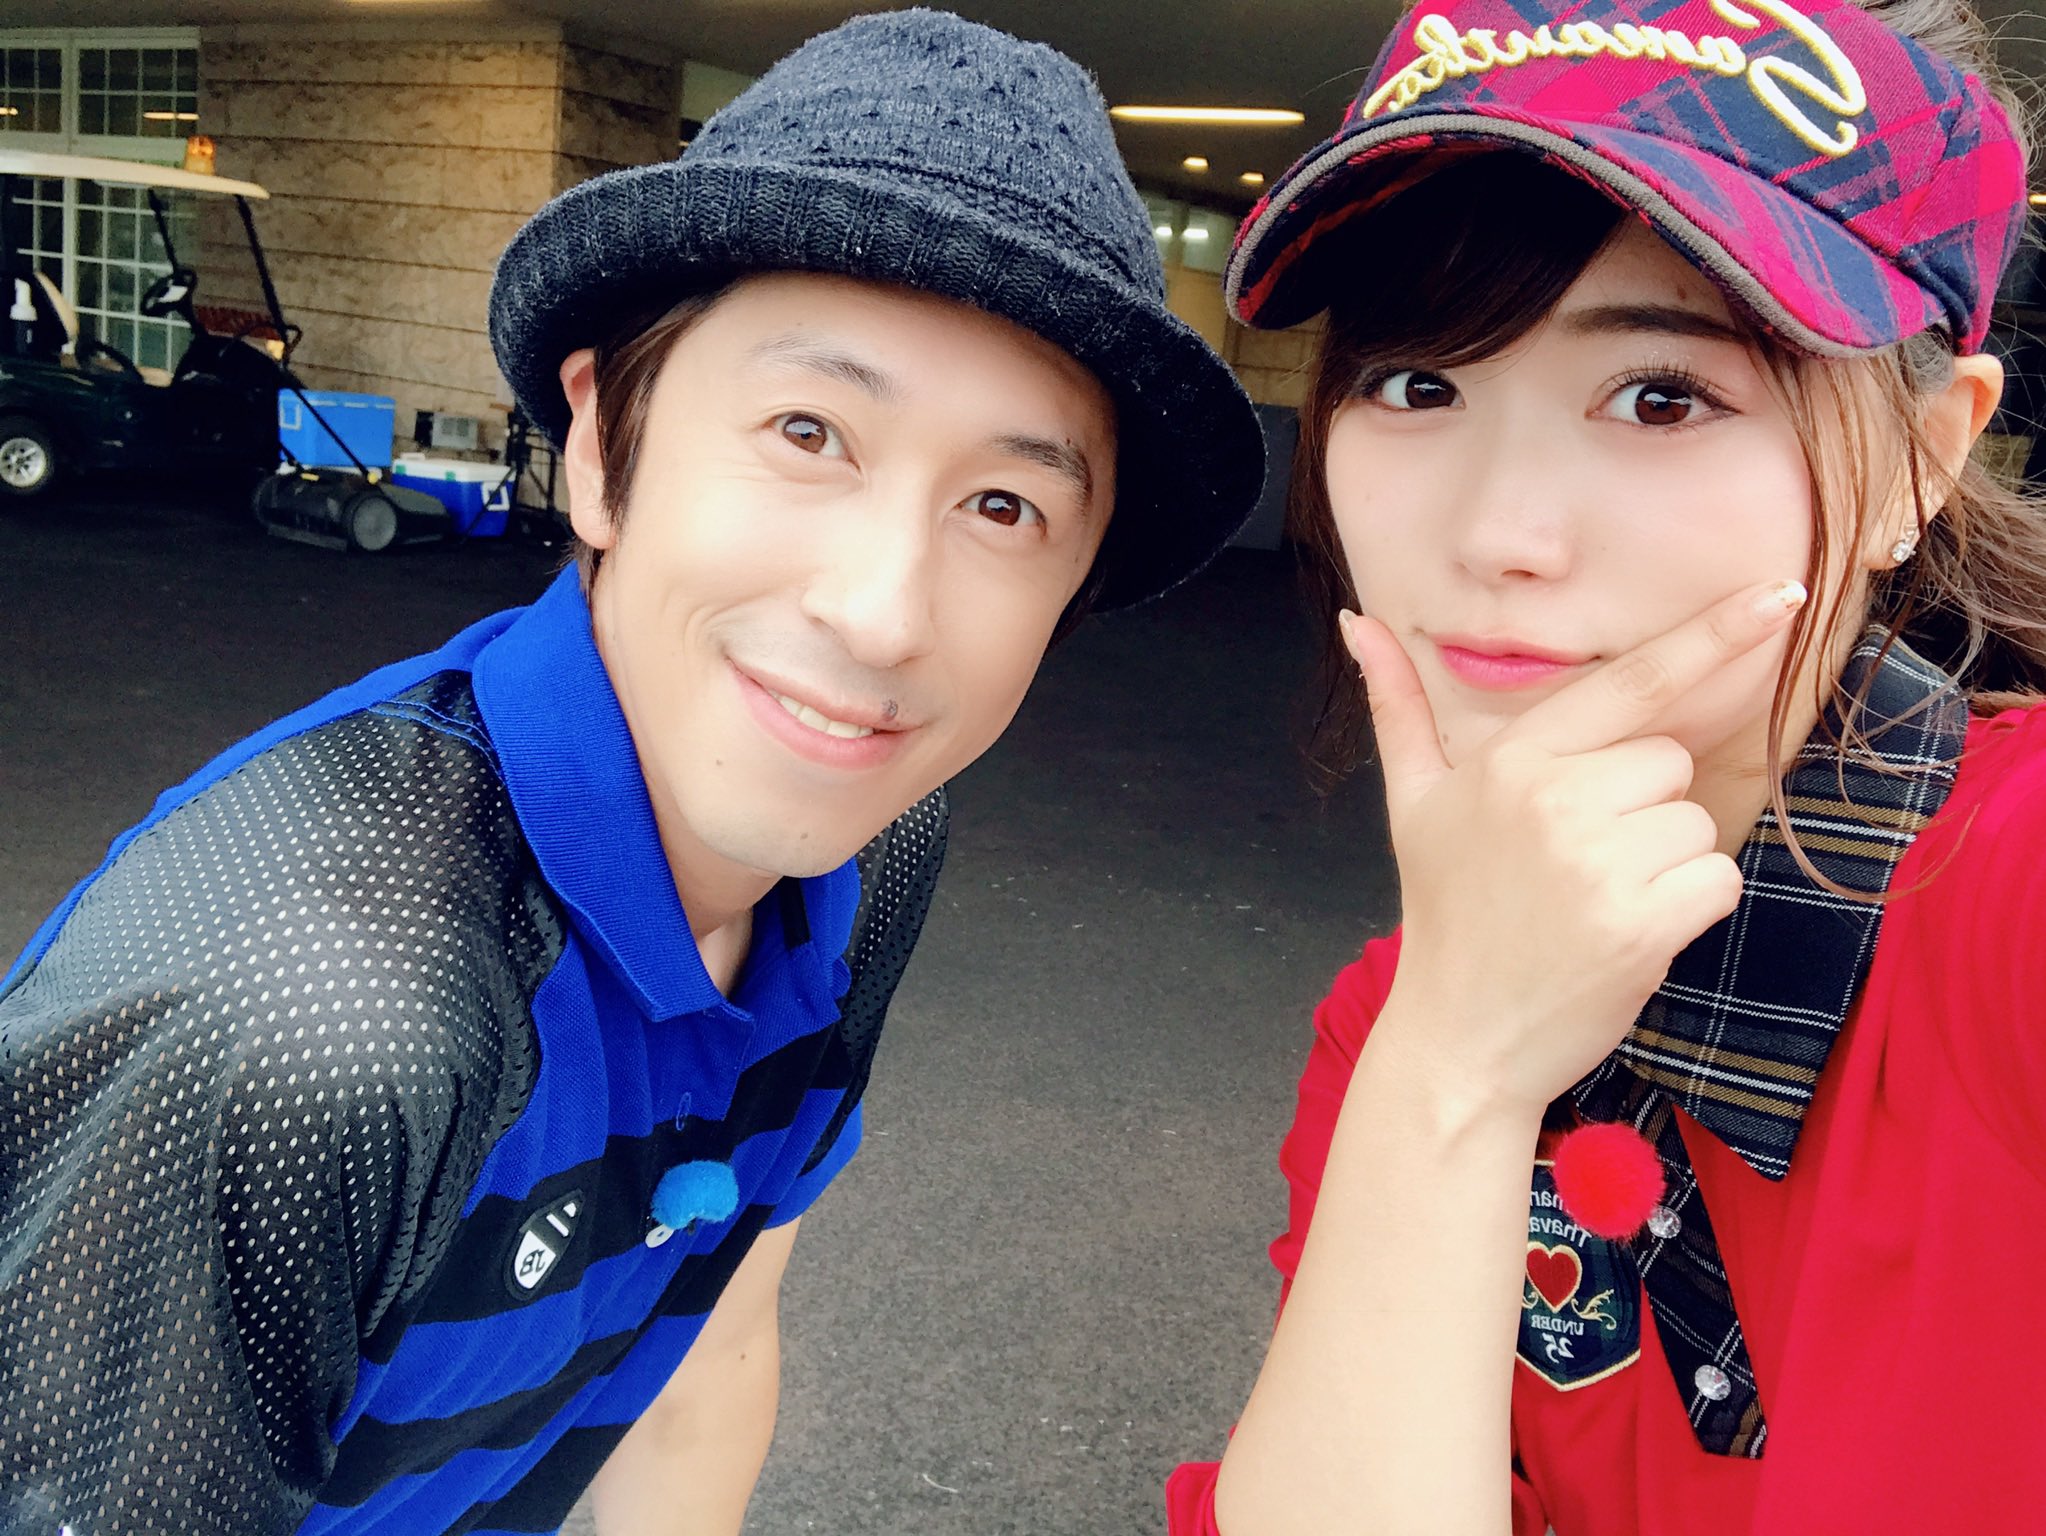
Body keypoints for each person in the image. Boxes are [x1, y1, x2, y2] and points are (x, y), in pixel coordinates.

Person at [0, 12, 1264, 1536]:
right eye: (809, 430)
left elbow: (707, 1338)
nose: (883, 614)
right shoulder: (310, 1018)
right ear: (600, 449)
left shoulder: (868, 857)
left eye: (1004, 506)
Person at [1166, 0, 2043, 1531]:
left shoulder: (2007, 901)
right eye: (1415, 384)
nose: (1496, 534)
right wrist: (1451, 1069)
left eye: (1660, 397)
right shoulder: (1405, 1010)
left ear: (1920, 458)